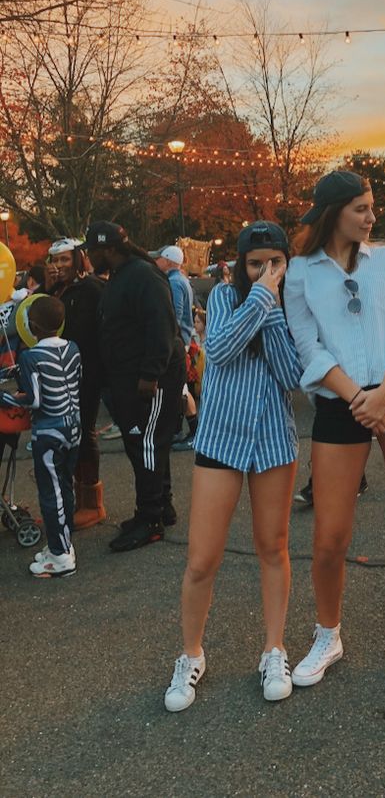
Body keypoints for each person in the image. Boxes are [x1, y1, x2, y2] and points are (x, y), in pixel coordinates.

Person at [284, 170, 385, 688]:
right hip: (342, 403)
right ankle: (327, 633)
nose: (371, 217)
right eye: (361, 208)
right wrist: (358, 397)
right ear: (334, 212)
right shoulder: (300, 272)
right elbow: (307, 345)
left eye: (371, 207)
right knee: (330, 534)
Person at [164, 222, 303, 711]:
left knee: (273, 547)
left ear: (288, 260)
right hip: (221, 436)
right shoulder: (224, 297)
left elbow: (292, 377)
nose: (266, 271)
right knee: (202, 557)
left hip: (272, 440)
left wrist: (275, 311)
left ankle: (274, 648)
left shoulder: (290, 306)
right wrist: (263, 300)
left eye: (276, 262)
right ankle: (190, 654)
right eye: (255, 263)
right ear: (241, 265)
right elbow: (219, 349)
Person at [85, 221, 186, 552]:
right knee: (146, 444)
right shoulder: (121, 275)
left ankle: (150, 519)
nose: (89, 256)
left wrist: (150, 374)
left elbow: (162, 326)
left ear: (109, 250)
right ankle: (162, 505)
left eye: (92, 250)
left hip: (152, 378)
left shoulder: (141, 274)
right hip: (130, 377)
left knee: (146, 444)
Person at [1, 296, 81, 577]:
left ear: (32, 326)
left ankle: (61, 557)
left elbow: (34, 400)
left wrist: (6, 396)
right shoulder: (72, 348)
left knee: (51, 492)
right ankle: (63, 544)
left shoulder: (31, 356)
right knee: (65, 487)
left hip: (49, 431)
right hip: (74, 427)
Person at [47, 238, 106, 528]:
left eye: (65, 260)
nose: (59, 266)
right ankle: (69, 500)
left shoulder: (91, 288)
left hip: (85, 372)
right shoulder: (54, 290)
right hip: (57, 373)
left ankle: (91, 502)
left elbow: (88, 332)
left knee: (83, 430)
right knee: (63, 433)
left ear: (78, 259)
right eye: (55, 260)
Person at [154, 245, 198, 451]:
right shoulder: (182, 280)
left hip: (178, 340)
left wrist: (170, 339)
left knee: (181, 388)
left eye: (160, 258)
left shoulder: (173, 282)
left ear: (169, 261)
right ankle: (181, 431)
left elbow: (176, 314)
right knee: (180, 388)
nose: (157, 261)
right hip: (184, 338)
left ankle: (194, 432)